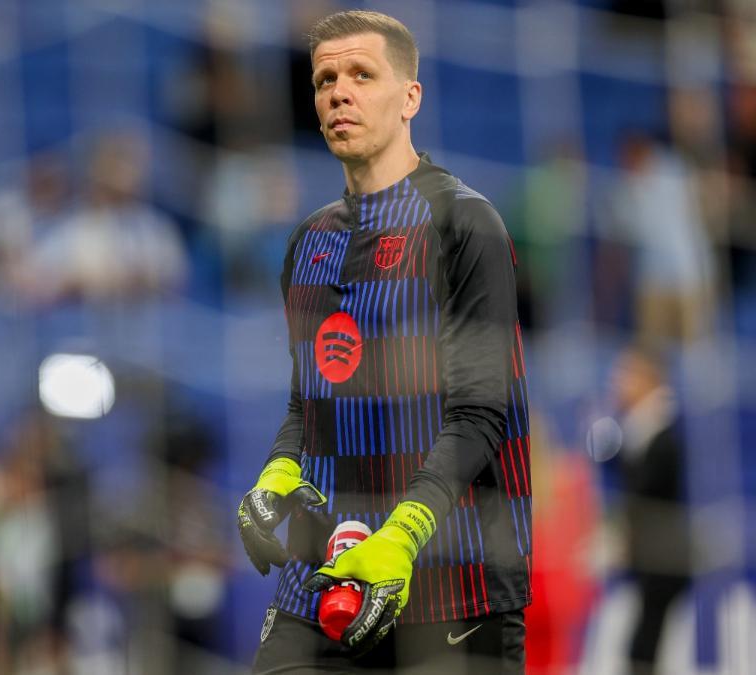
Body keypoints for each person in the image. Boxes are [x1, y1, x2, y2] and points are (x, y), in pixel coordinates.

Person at [236, 11, 531, 673]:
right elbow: (306, 404)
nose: (338, 91)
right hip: (323, 585)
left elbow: (481, 416)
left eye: (361, 74)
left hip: (452, 584)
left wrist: (402, 536)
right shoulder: (307, 242)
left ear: (410, 97)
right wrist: (279, 472)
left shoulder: (465, 224)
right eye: (324, 79)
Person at [606, 345, 689, 675]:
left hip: (663, 560)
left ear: (647, 379)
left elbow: (647, 496)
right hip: (649, 558)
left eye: (626, 375)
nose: (617, 383)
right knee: (642, 647)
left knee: (643, 649)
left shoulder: (663, 435)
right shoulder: (637, 430)